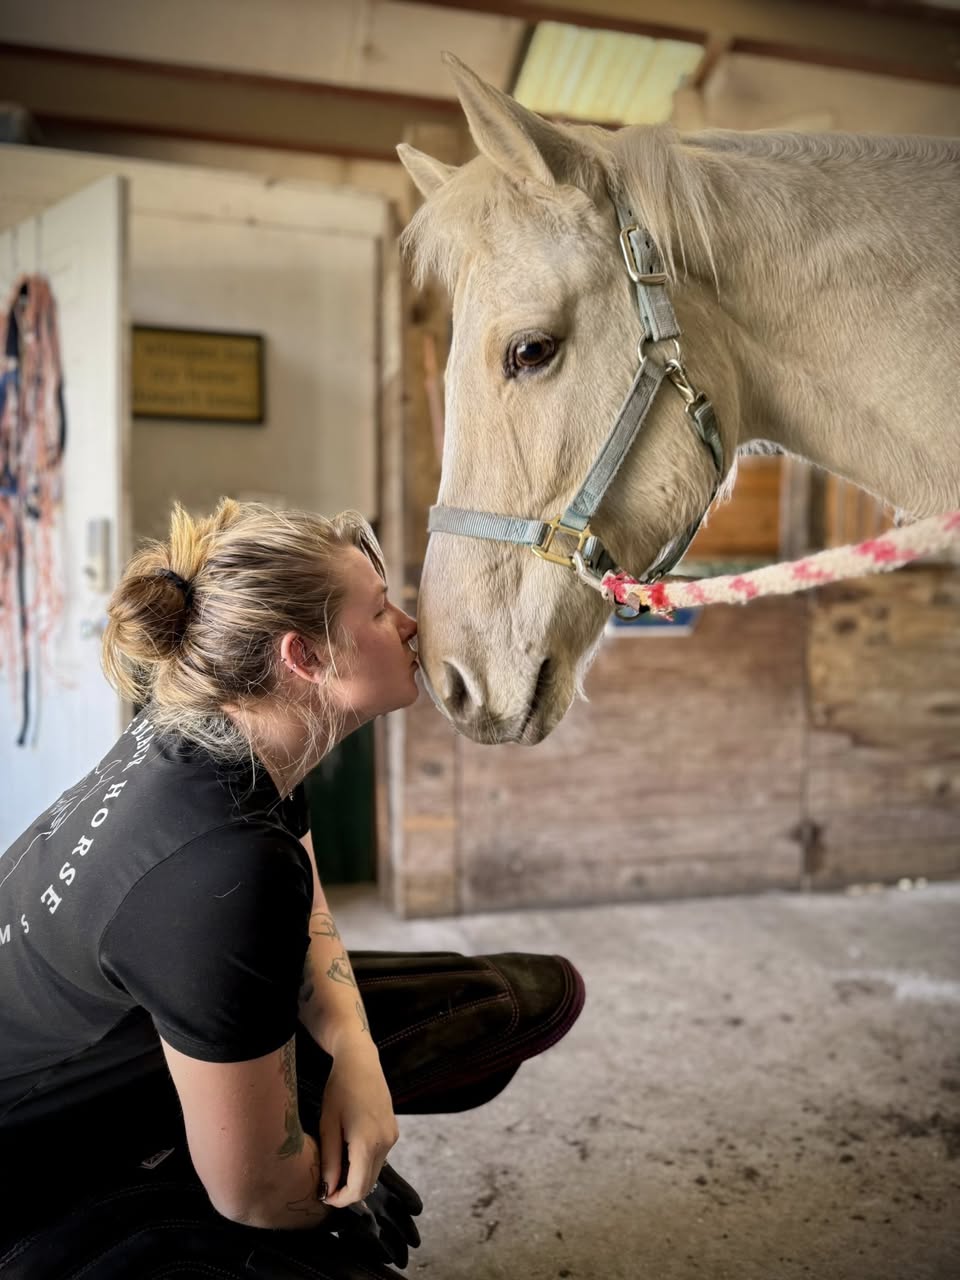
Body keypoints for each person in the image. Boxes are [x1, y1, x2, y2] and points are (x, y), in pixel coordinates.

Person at [0, 499, 585, 1279]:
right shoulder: (222, 866)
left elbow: (300, 898)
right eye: (379, 610)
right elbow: (257, 1197)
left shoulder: (227, 728)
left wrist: (353, 1050)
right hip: (25, 1159)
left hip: (107, 1040)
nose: (410, 625)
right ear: (303, 657)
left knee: (498, 1000)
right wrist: (332, 1199)